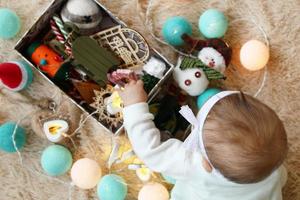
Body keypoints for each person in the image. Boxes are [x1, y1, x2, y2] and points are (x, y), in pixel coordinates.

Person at [118, 80, 288, 200]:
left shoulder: (195, 166)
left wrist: (134, 105)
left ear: (206, 164)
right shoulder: (270, 167)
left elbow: (150, 150)